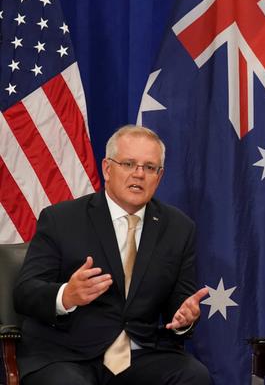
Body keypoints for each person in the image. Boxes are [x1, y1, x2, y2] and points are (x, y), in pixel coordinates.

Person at [14, 125, 211, 385]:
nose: (139, 175)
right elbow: (25, 293)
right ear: (108, 168)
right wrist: (67, 295)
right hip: (67, 354)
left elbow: (180, 305)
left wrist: (185, 318)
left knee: (194, 376)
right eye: (129, 164)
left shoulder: (178, 228)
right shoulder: (61, 219)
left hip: (139, 355)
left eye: (149, 167)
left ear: (159, 176)